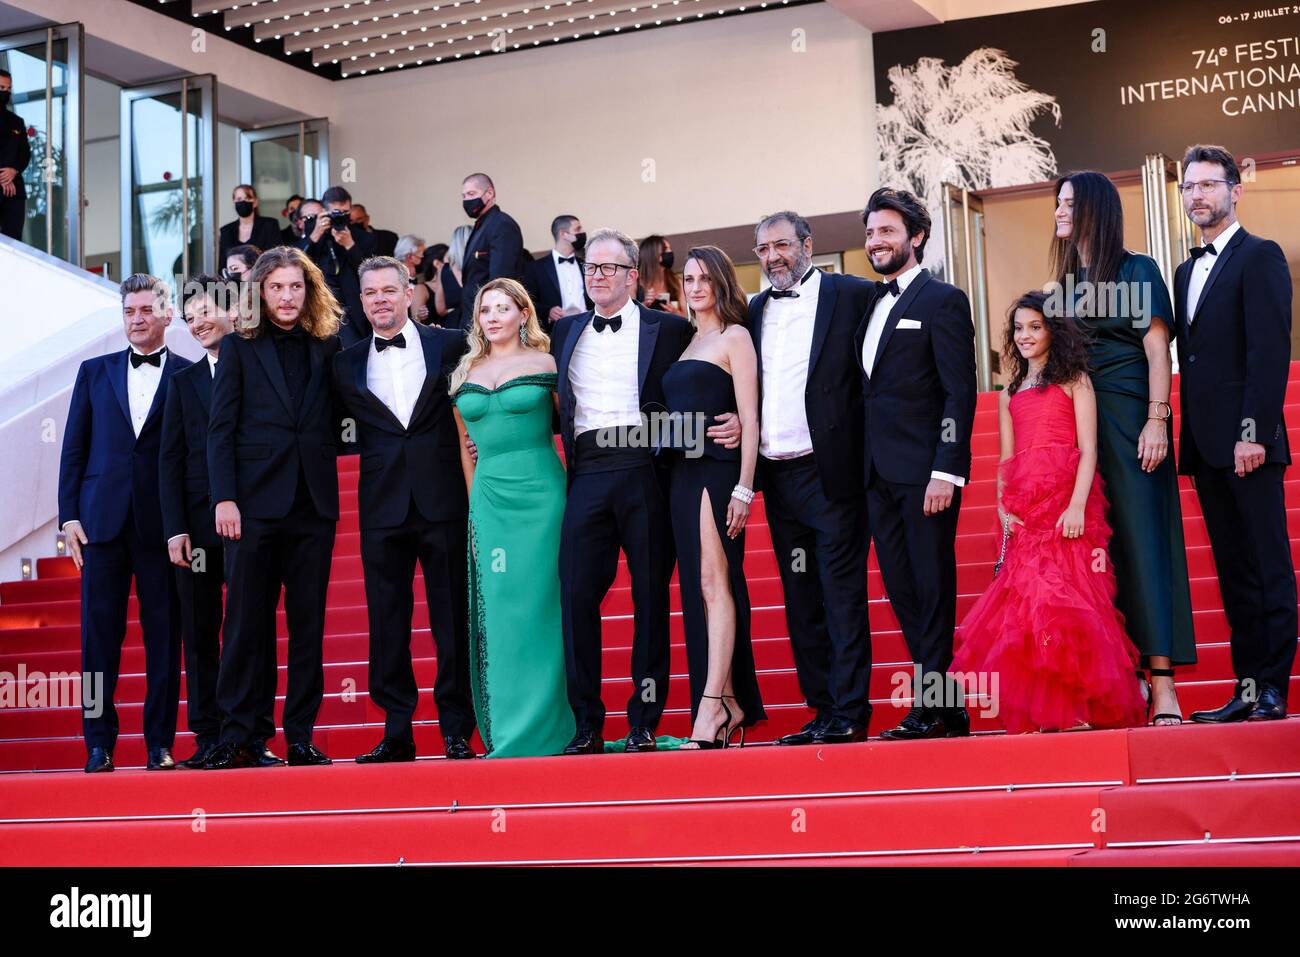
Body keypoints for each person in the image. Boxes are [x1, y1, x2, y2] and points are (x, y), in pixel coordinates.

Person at [951, 291, 1146, 733]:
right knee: (1031, 606)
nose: (1025, 335)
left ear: (1053, 330)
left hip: (1068, 502)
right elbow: (1006, 457)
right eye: (1018, 328)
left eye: (1034, 327)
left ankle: (1080, 704)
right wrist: (1002, 507)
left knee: (1073, 599)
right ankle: (1049, 706)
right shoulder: (1009, 392)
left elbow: (1090, 447)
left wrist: (1078, 503)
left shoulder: (1075, 379)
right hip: (1025, 508)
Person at [1050, 170, 1196, 725]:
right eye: (1057, 203)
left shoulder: (1138, 269)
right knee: (1096, 556)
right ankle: (1117, 682)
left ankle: (1163, 689)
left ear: (1094, 209)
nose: (1059, 212)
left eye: (1068, 203)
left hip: (1134, 420)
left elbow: (1158, 351)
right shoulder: (1064, 283)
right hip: (1079, 431)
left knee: (1143, 547)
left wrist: (1158, 420)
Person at [551, 228, 693, 754]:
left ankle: (644, 721)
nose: (597, 276)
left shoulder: (670, 330)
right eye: (591, 268)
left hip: (645, 468)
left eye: (609, 268)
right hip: (586, 470)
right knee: (575, 596)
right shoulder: (564, 334)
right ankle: (587, 723)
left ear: (634, 275)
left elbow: (702, 379)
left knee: (650, 596)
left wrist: (727, 423)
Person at [332, 256, 478, 761]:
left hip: (443, 500)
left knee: (451, 620)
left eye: (388, 291)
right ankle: (397, 730)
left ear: (409, 292)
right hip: (381, 507)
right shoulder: (345, 362)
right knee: (387, 623)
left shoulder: (450, 344)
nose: (379, 301)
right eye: (369, 292)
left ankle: (458, 728)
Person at [205, 247, 344, 769]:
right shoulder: (239, 348)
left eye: (296, 287)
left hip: (312, 506)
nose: (287, 297)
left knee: (308, 626)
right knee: (245, 623)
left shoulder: (328, 345)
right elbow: (220, 429)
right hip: (253, 506)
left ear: (308, 293)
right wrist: (225, 497)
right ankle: (241, 734)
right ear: (259, 293)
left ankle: (301, 736)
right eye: (277, 287)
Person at [1172, 145, 1295, 723]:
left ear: (1235, 190)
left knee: (1267, 568)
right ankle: (1247, 690)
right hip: (1205, 446)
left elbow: (1268, 353)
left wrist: (1253, 434)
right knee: (1234, 574)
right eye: (1190, 186)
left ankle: (1273, 689)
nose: (1198, 195)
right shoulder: (1182, 269)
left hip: (1249, 444)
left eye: (1208, 185)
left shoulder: (1261, 256)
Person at [746, 211, 876, 746]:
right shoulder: (753, 310)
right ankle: (821, 708)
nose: (773, 256)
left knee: (841, 594)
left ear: (806, 244)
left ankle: (850, 712)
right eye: (762, 249)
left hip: (832, 471)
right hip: (777, 476)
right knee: (800, 599)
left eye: (781, 244)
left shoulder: (852, 295)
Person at [857, 187, 976, 741]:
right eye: (870, 232)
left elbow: (959, 392)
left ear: (916, 236)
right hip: (875, 475)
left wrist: (946, 470)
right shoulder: (868, 303)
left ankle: (931, 704)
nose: (875, 241)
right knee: (902, 588)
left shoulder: (942, 300)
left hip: (925, 473)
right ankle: (947, 705)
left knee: (931, 587)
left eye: (886, 231)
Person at [58, 273, 189, 772]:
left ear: (166, 314)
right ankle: (98, 742)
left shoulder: (187, 373)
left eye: (146, 311)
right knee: (98, 641)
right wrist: (68, 514)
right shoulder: (94, 372)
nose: (137, 319)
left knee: (164, 637)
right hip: (100, 525)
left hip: (164, 526)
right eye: (129, 311)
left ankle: (159, 743)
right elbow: (74, 448)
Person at [450, 277, 575, 757]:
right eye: (486, 310)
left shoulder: (547, 363)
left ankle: (553, 729)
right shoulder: (465, 372)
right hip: (490, 502)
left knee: (543, 606)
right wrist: (473, 508)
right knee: (501, 613)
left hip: (543, 495)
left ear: (524, 313)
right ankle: (507, 731)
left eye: (504, 307)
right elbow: (466, 447)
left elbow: (573, 424)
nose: (494, 316)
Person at [159, 275, 280, 769]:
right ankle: (210, 735)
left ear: (233, 311)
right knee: (200, 628)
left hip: (251, 518)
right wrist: (175, 528)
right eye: (189, 318)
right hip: (198, 523)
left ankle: (253, 734)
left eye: (205, 311)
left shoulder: (259, 368)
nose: (198, 323)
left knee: (252, 626)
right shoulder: (182, 382)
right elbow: (169, 459)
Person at [664, 246, 766, 748]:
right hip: (682, 476)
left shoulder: (735, 336)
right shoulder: (685, 342)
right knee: (699, 590)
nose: (696, 287)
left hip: (718, 473)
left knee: (713, 581)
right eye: (689, 279)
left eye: (705, 278)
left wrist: (745, 487)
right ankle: (728, 702)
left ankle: (710, 709)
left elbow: (750, 418)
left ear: (722, 282)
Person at [297, 190, 377, 346]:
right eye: (336, 212)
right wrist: (316, 235)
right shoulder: (315, 233)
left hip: (352, 308)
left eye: (345, 212)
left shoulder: (363, 237)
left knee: (351, 352)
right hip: (317, 304)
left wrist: (350, 245)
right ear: (324, 211)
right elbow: (298, 264)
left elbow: (371, 273)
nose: (340, 216)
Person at [459, 173, 527, 313]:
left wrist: (493, 316)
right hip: (474, 315)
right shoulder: (481, 226)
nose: (467, 200)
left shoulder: (501, 224)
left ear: (489, 193)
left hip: (490, 316)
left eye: (471, 194)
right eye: (464, 196)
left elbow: (501, 280)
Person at [525, 215, 592, 332]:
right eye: (577, 229)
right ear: (563, 234)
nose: (582, 233)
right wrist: (548, 311)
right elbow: (528, 301)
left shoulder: (586, 265)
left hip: (588, 326)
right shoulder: (536, 268)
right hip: (556, 331)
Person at [218, 184, 282, 265]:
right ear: (234, 203)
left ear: (255, 202)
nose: (243, 202)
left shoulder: (269, 225)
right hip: (234, 277)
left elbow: (277, 257)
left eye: (247, 198)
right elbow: (222, 265)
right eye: (239, 199)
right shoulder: (226, 231)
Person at [0, 68, 29, 242]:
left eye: (8, 89)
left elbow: (25, 153)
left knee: (13, 242)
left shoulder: (16, 121)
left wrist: (13, 171)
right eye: (1, 88)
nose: (6, 92)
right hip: (6, 183)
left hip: (14, 191)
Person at [638, 234, 685, 316]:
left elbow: (688, 318)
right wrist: (644, 305)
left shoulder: (676, 283)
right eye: (666, 249)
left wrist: (675, 312)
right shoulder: (636, 283)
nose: (670, 252)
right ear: (655, 255)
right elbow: (627, 316)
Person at [432, 225, 469, 330]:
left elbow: (440, 309)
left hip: (454, 325)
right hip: (477, 324)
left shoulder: (444, 269)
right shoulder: (481, 268)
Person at [394, 233, 434, 323]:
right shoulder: (395, 275)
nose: (424, 257)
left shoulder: (420, 272)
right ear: (410, 257)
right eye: (421, 254)